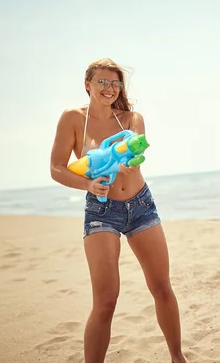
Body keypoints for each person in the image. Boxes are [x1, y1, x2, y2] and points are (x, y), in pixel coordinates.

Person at [50, 58, 187, 363]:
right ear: (88, 84)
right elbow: (57, 168)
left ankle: (178, 358)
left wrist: (127, 163)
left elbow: (136, 156)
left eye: (114, 83)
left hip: (140, 205)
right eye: (102, 82)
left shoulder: (131, 119)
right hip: (101, 211)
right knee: (106, 300)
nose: (109, 88)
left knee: (161, 286)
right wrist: (88, 185)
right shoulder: (72, 119)